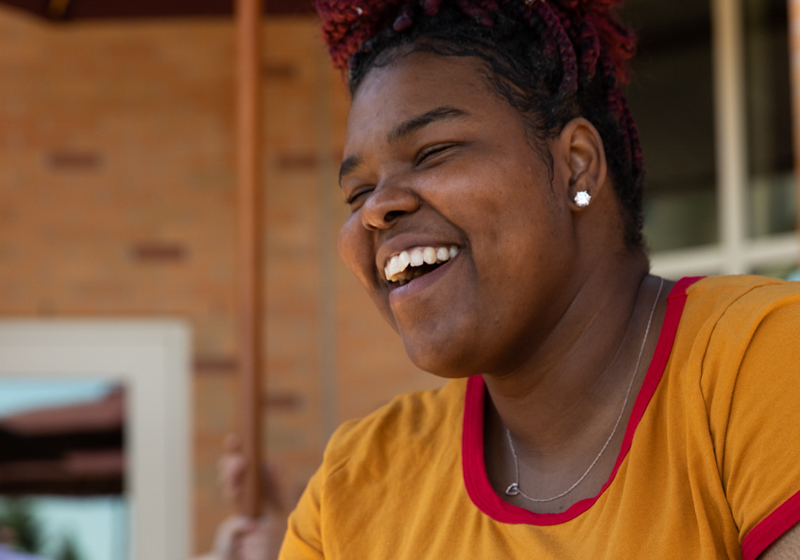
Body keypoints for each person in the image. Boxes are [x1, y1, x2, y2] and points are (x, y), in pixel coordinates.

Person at [238, 0, 800, 558]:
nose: (375, 210)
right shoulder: (351, 490)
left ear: (576, 164)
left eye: (433, 153)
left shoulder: (761, 362)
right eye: (356, 193)